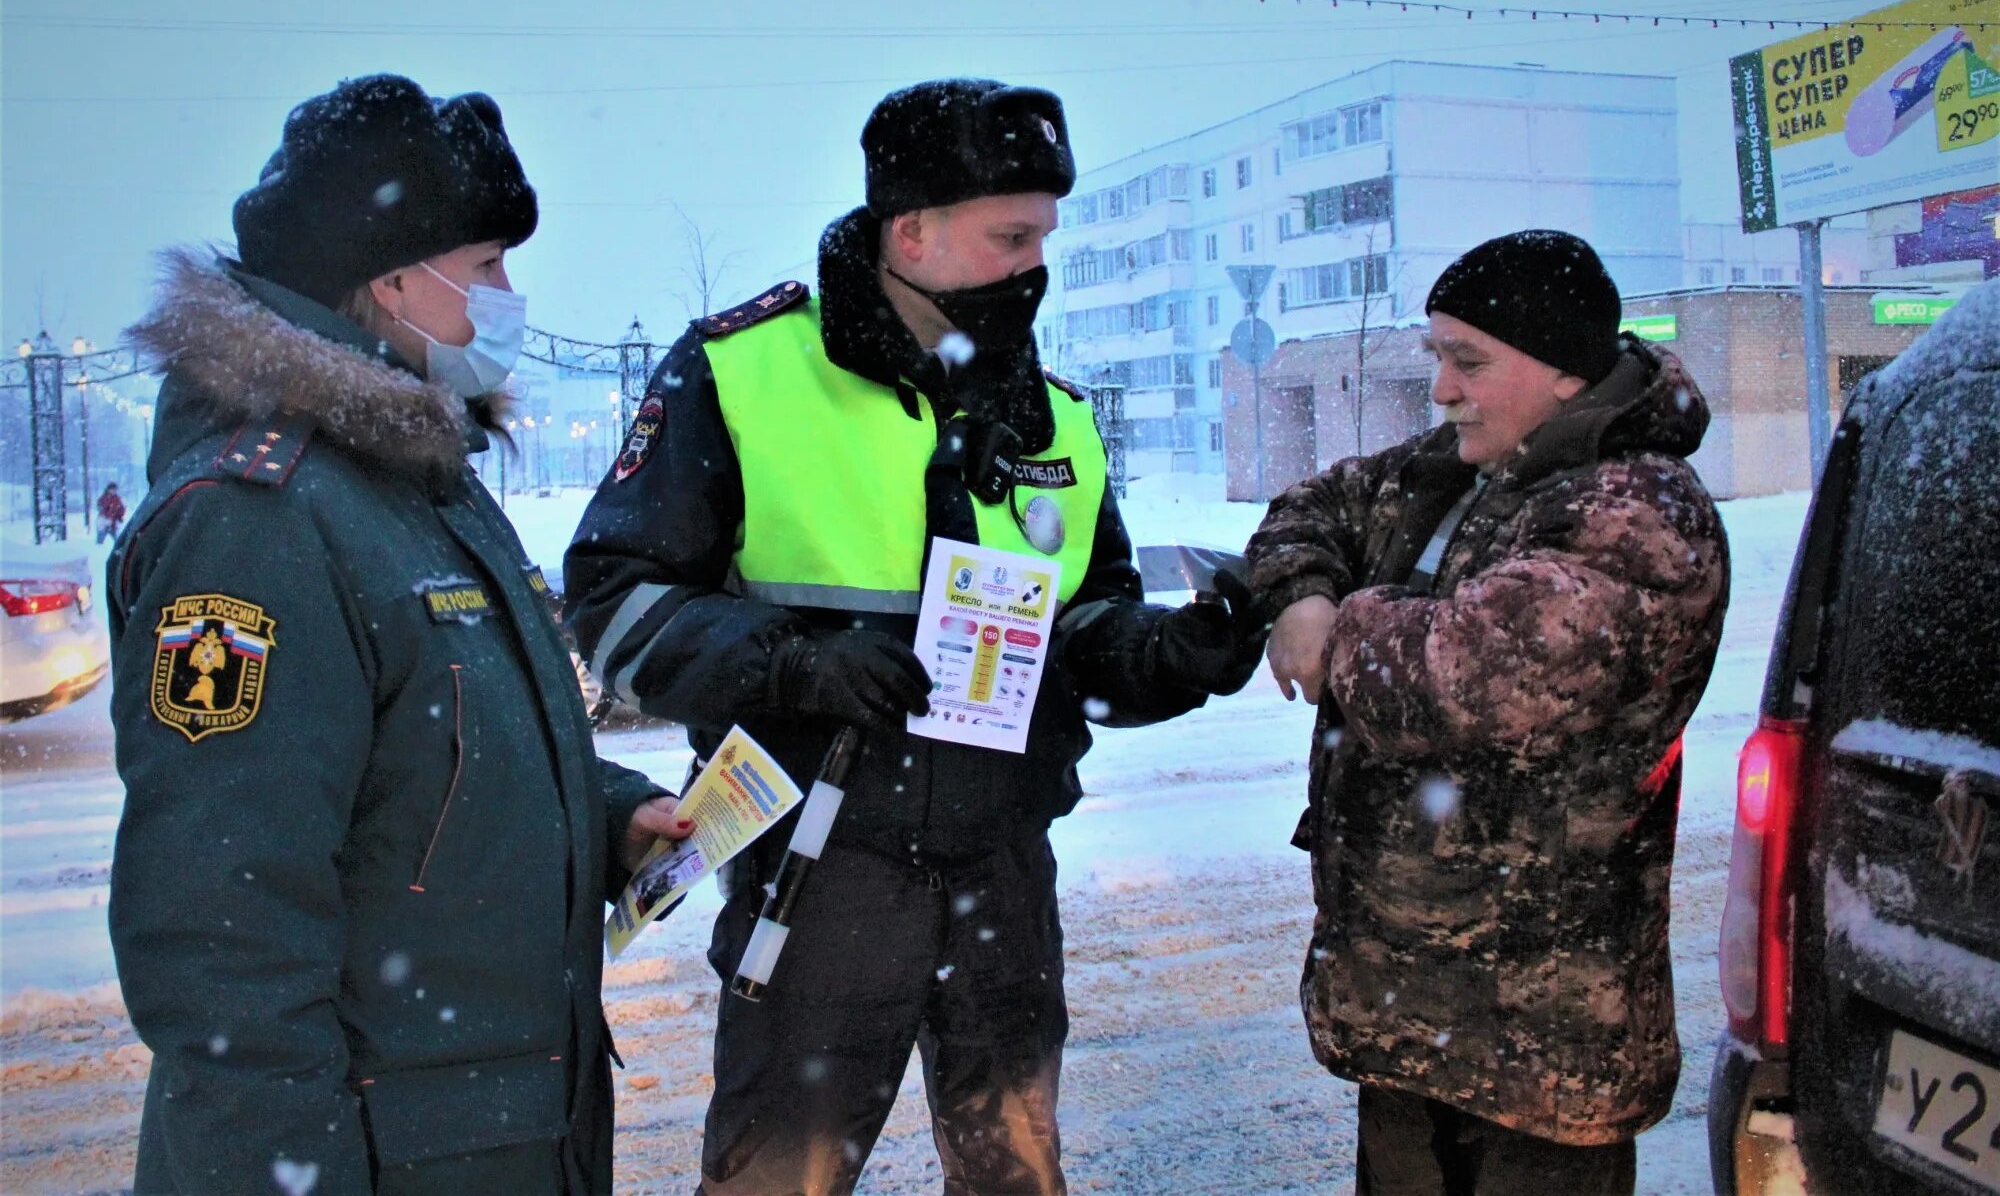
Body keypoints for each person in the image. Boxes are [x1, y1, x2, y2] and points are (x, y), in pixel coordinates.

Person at [564, 77, 1268, 1195]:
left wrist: (1167, 655)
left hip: (1002, 870)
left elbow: (1085, 620)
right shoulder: (739, 371)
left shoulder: (1056, 412)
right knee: (774, 1180)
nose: (1035, 264)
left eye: (1043, 234)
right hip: (820, 865)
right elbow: (612, 601)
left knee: (1015, 1176)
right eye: (1010, 236)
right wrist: (792, 660)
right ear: (912, 231)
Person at [106, 74, 690, 1195]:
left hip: (485, 1132)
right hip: (386, 1154)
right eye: (484, 268)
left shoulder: (413, 479)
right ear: (391, 279)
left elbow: (430, 748)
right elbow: (224, 923)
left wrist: (610, 812)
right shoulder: (256, 518)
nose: (509, 296)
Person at [1246, 230, 1730, 1195]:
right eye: (1436, 358)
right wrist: (1300, 590)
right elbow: (1314, 504)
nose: (1442, 390)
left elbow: (1468, 678)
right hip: (1409, 1017)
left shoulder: (1639, 516)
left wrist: (1336, 628)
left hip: (1540, 1046)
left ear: (1562, 374)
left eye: (1469, 362)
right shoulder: (1464, 468)